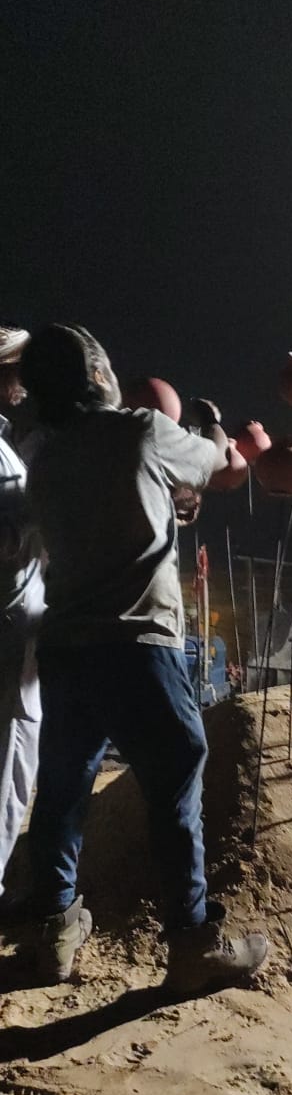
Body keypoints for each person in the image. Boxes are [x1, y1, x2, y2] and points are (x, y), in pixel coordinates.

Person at [19, 323, 268, 989]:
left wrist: (164, 498)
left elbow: (107, 509)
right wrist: (213, 429)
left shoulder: (42, 456)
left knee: (63, 792)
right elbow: (217, 464)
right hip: (138, 645)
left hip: (66, 648)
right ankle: (192, 945)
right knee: (175, 786)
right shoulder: (140, 431)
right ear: (99, 374)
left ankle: (52, 934)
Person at [0, 324, 45, 919]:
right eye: (14, 368)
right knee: (9, 771)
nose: (23, 381)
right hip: (7, 637)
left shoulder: (12, 446)